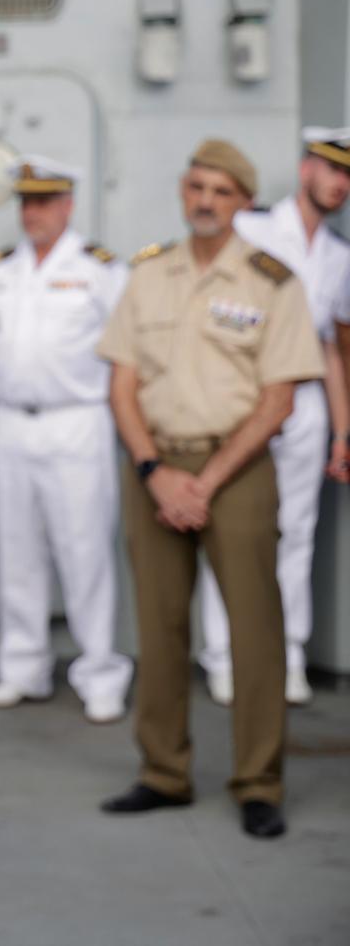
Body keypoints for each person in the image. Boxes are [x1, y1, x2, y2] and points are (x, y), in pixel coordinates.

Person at [96, 139, 324, 840]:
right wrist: (155, 473)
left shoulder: (272, 281)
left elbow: (279, 398)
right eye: (196, 186)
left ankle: (259, 782)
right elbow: (122, 386)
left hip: (238, 470)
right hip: (155, 469)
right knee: (160, 629)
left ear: (243, 202)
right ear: (183, 192)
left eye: (221, 191)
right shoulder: (149, 275)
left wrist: (205, 482)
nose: (205, 201)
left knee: (256, 631)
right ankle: (163, 772)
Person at [0, 156, 133, 723]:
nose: (32, 212)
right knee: (19, 549)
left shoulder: (99, 271)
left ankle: (100, 670)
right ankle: (23, 666)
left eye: (43, 201)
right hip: (13, 421)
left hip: (77, 420)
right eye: (25, 202)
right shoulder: (1, 273)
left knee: (84, 550)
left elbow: (127, 348)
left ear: (67, 204)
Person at [196, 125, 350, 707]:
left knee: (297, 535)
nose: (339, 184)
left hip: (305, 404)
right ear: (307, 166)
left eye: (348, 176)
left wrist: (342, 429)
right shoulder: (253, 227)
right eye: (331, 168)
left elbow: (330, 347)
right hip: (243, 397)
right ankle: (222, 656)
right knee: (231, 530)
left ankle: (286, 657)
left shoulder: (338, 256)